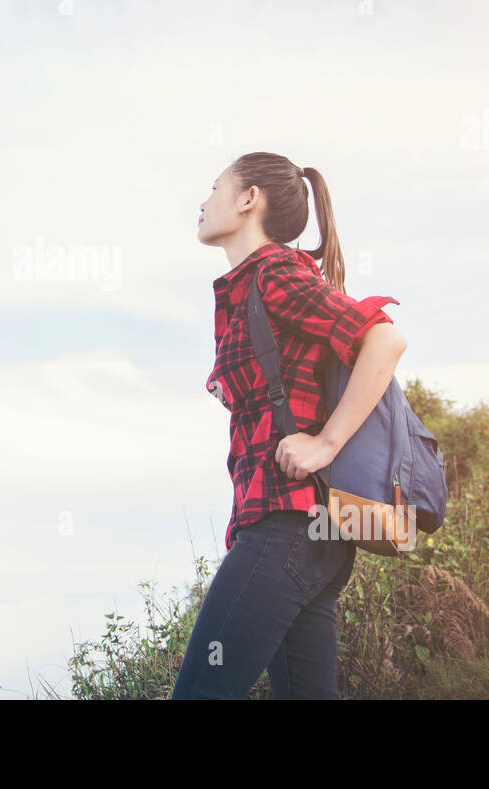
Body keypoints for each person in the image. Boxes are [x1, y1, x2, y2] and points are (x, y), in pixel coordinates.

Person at [171, 152, 407, 699]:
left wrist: (326, 443)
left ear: (249, 198)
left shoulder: (273, 272)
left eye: (214, 188)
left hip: (288, 524)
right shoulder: (250, 286)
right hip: (311, 534)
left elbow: (385, 339)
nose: (203, 203)